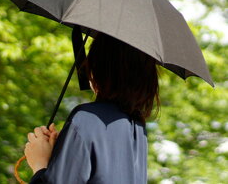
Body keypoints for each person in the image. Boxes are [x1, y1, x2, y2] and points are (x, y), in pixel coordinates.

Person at [24, 32, 160, 184]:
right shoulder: (137, 127)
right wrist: (63, 151)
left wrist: (39, 163)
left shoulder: (88, 118)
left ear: (98, 67)